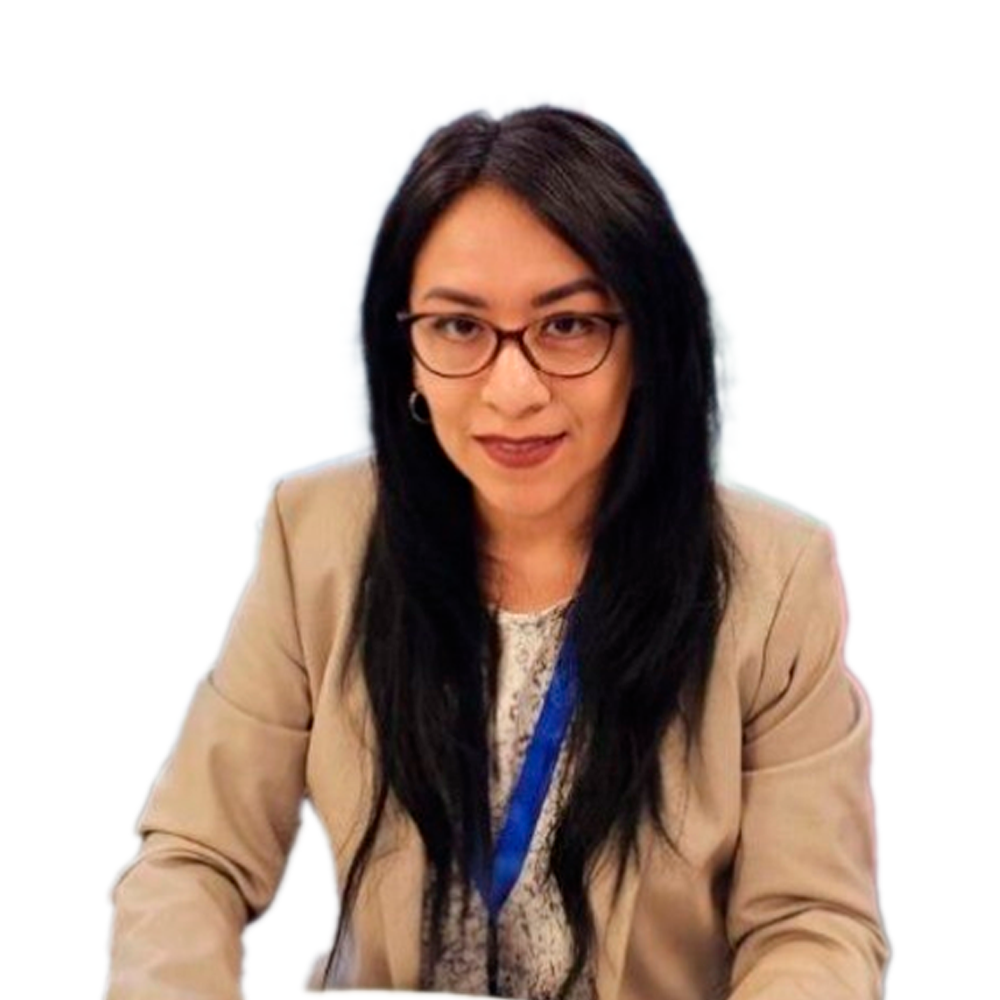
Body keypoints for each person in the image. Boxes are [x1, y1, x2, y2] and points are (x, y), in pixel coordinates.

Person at [106, 107, 889, 1000]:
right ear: (403, 347)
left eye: (568, 327)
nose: (512, 391)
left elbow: (811, 925)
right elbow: (193, 857)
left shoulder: (773, 581)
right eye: (459, 327)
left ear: (648, 345)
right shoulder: (317, 537)